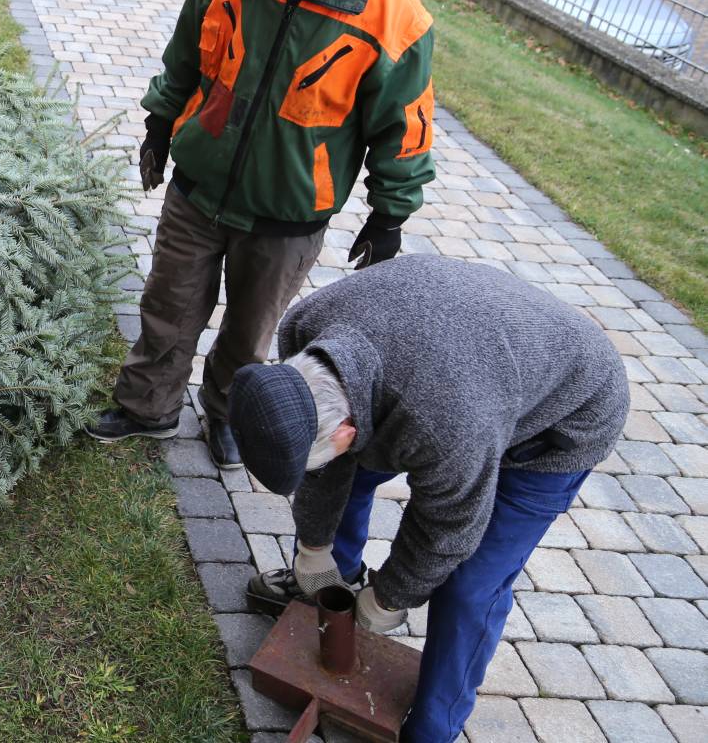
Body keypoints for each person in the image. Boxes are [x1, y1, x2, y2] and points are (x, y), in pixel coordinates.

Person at [87, 0, 436, 467]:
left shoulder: (394, 13)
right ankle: (149, 407)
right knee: (167, 307)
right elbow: (184, 57)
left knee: (250, 334)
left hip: (289, 213)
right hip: (199, 189)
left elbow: (403, 127)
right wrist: (160, 123)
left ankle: (228, 416)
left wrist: (389, 217)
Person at [228, 255, 627, 743]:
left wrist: (391, 597)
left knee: (472, 584)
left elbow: (448, 527)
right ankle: (331, 590)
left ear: (348, 430)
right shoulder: (307, 329)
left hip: (564, 414)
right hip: (465, 363)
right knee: (348, 474)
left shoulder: (443, 423)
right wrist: (315, 551)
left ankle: (434, 727)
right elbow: (327, 463)